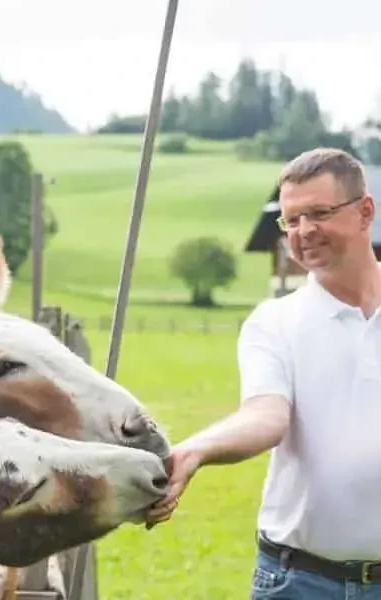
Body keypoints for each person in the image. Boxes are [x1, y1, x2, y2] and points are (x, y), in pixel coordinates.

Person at [147, 147, 381, 598]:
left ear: (364, 211)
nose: (304, 232)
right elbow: (265, 417)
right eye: (291, 220)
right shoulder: (274, 322)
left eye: (319, 213)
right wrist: (196, 450)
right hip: (300, 582)